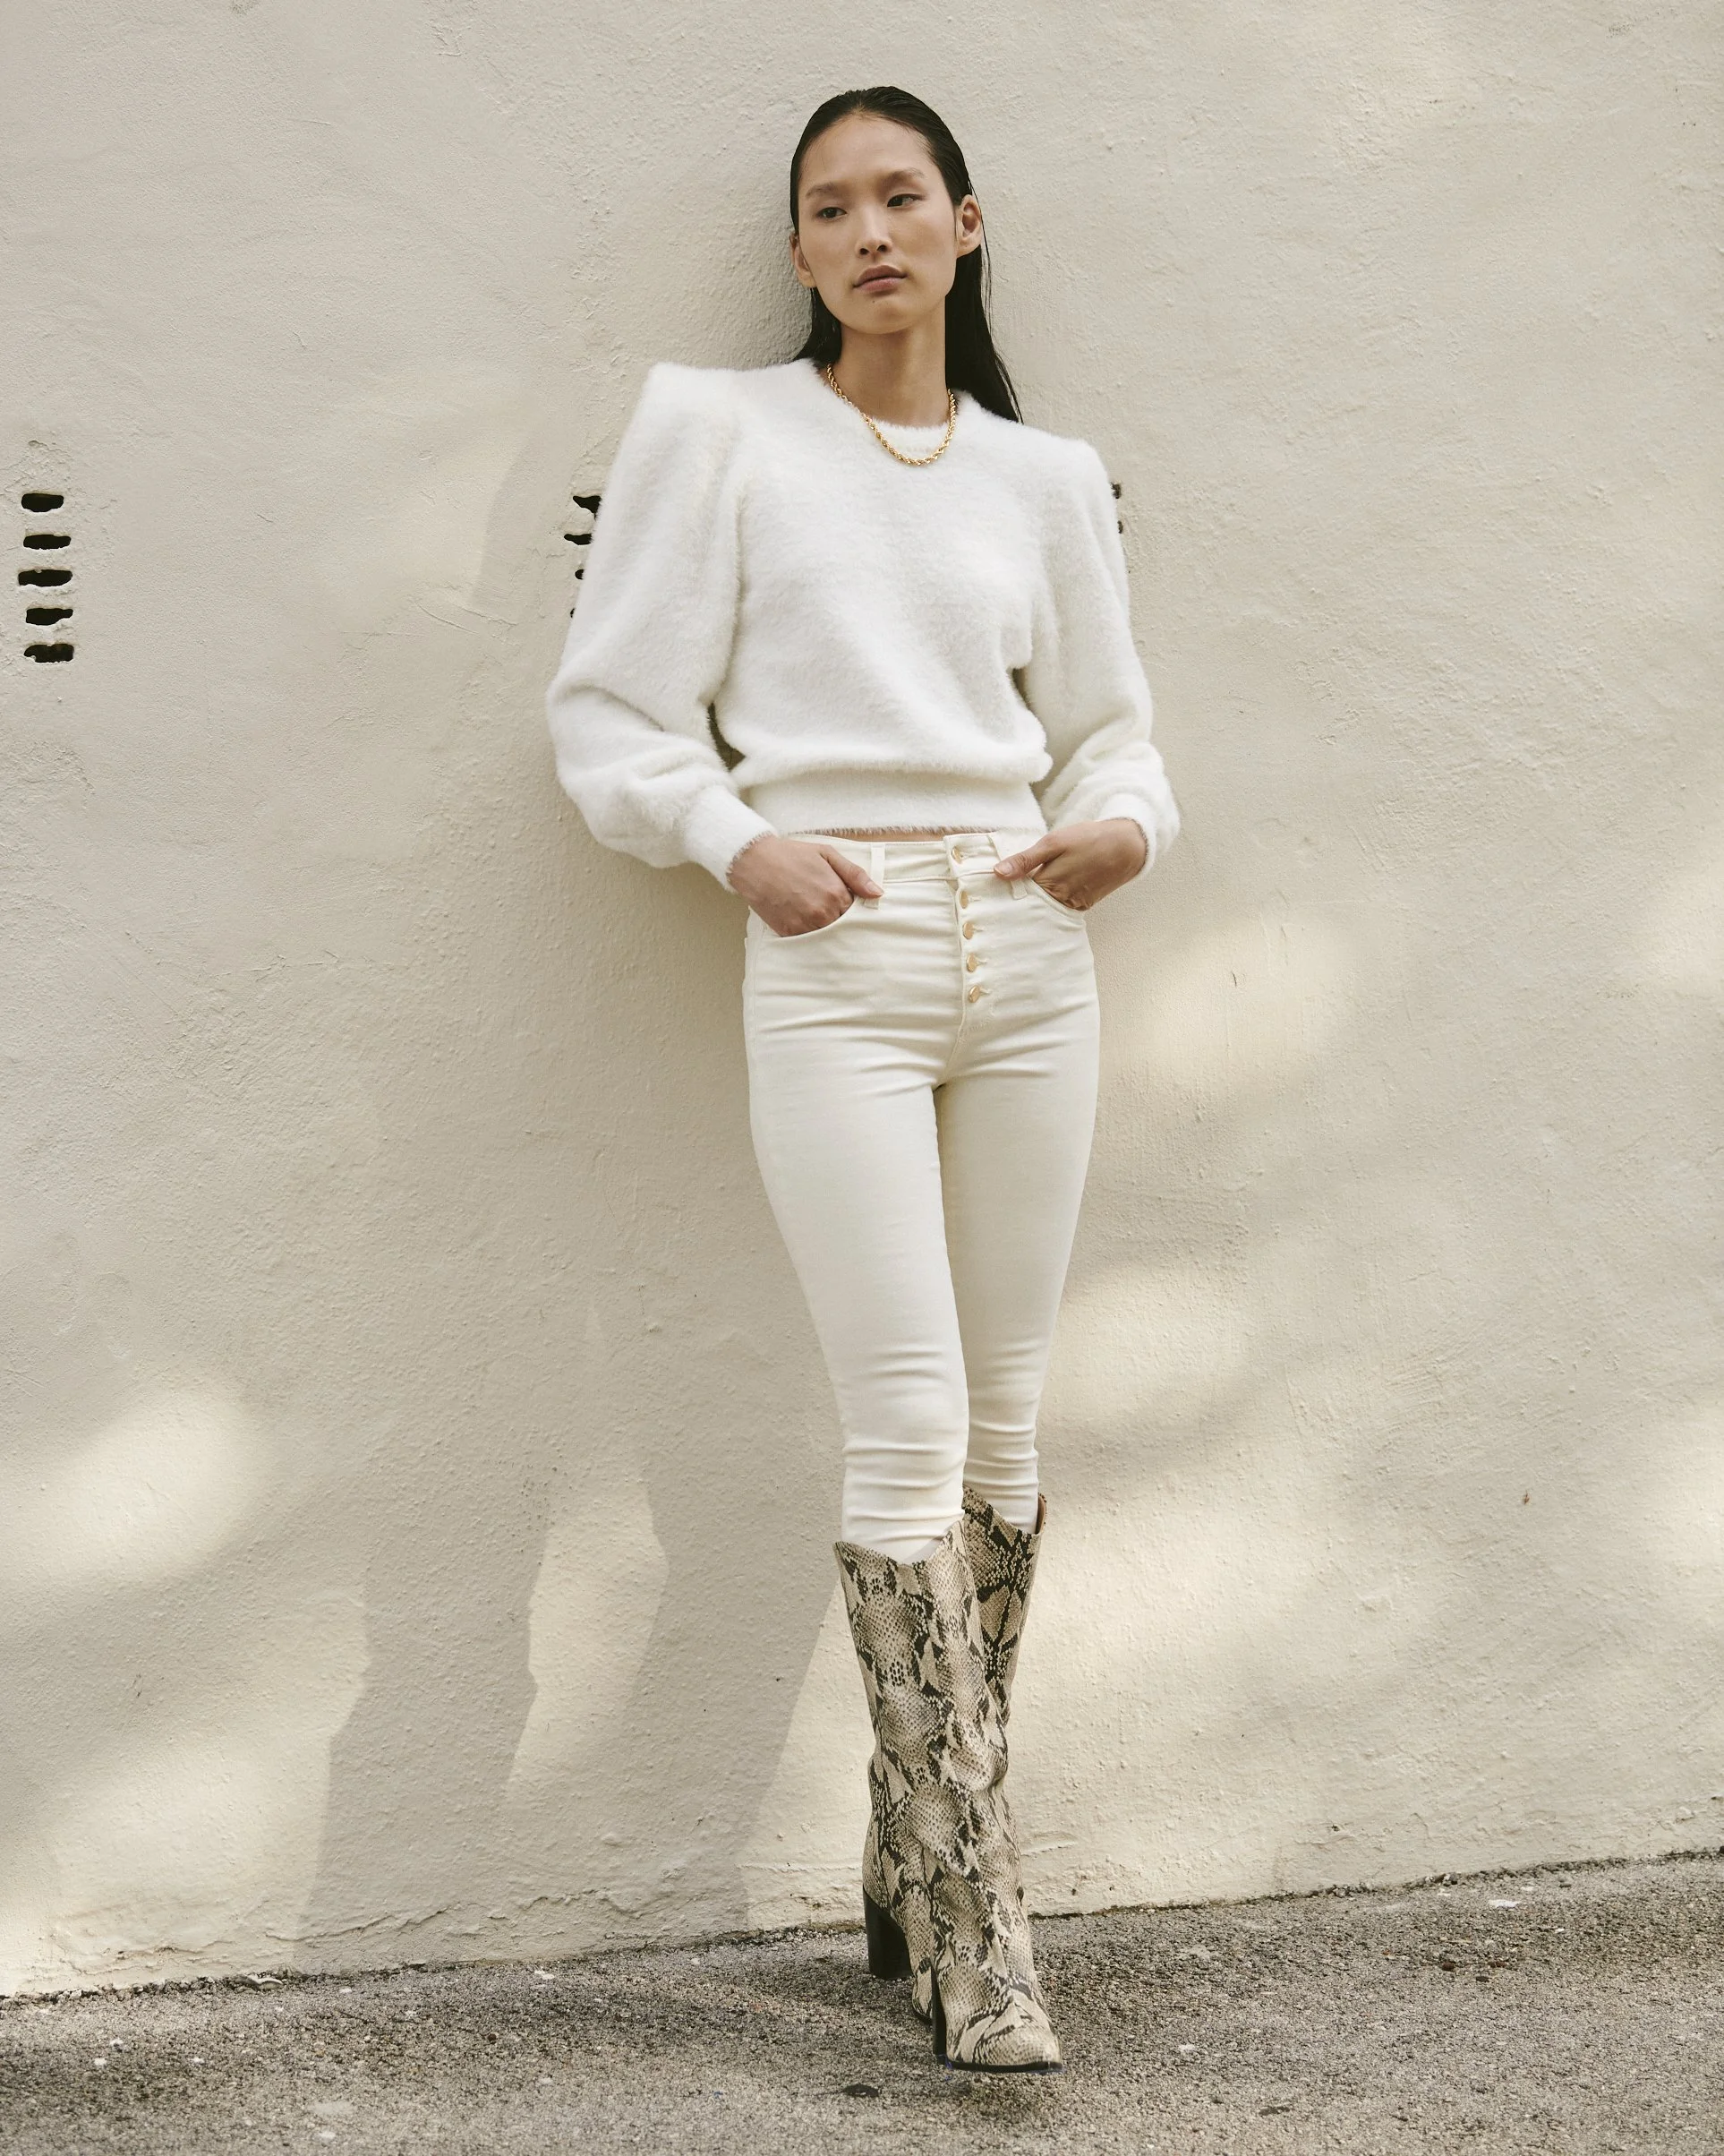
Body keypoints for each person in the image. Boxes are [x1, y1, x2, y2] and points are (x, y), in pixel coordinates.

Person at [544, 84, 1179, 2073]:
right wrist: (736, 840)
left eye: (903, 195)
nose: (871, 231)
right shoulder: (717, 431)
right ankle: (990, 1928)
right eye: (832, 208)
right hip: (839, 956)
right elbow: (613, 708)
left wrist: (1124, 831)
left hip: (1033, 955)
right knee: (903, 1428)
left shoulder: (1047, 478)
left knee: (1008, 1432)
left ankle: (920, 1858)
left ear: (967, 222)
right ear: (803, 252)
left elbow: (1111, 733)